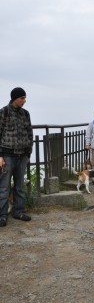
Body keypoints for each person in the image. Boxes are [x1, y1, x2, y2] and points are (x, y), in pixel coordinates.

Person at [0, 87, 33, 227]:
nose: (24, 101)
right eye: (22, 98)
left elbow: (29, 134)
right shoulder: (4, 112)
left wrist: (28, 154)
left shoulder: (25, 114)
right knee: (4, 187)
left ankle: (19, 212)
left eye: (25, 98)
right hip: (7, 156)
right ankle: (2, 216)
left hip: (22, 156)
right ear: (15, 98)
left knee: (19, 187)